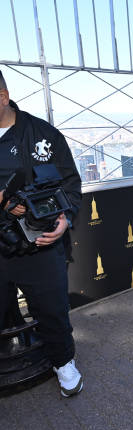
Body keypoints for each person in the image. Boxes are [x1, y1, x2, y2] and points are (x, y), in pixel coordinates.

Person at [0, 69, 83, 397]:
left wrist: (65, 221)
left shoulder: (43, 135)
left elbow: (71, 185)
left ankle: (64, 362)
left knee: (52, 310)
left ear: (3, 98)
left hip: (41, 245)